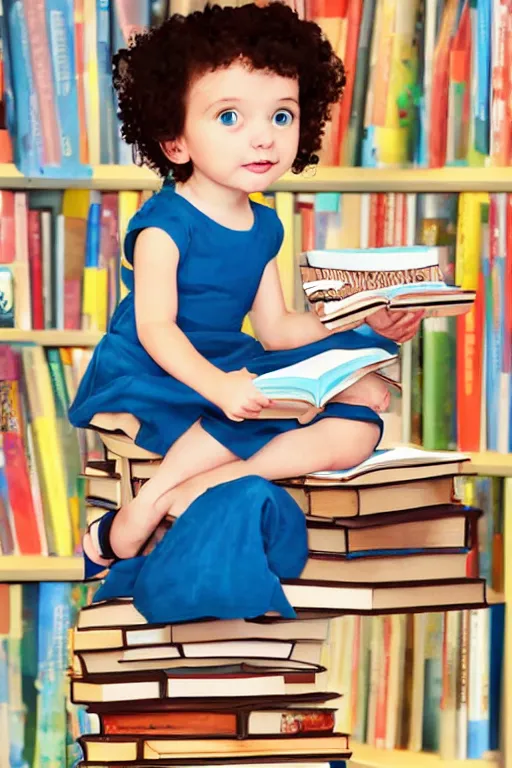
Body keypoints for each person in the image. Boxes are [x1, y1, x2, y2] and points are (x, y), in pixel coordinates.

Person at [69, 1, 423, 576]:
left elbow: (278, 327)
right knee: (259, 404)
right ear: (174, 139)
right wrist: (218, 386)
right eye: (230, 117)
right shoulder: (165, 224)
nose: (262, 138)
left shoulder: (263, 225)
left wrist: (360, 317)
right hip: (160, 366)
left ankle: (213, 484)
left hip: (236, 362)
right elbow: (154, 327)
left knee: (364, 414)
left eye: (281, 117)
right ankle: (146, 504)